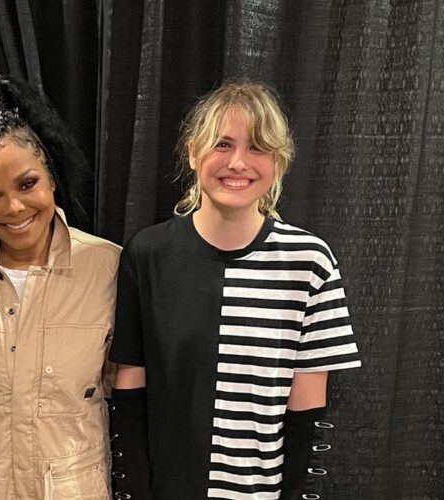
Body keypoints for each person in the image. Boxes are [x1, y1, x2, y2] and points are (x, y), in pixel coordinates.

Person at [109, 81, 361, 499]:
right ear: (193, 152)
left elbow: (308, 419)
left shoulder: (310, 262)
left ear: (279, 163)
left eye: (258, 147)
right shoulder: (147, 255)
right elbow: (130, 397)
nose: (238, 162)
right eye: (222, 144)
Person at [0, 75, 119, 499]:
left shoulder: (107, 268)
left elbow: (124, 382)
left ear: (51, 177)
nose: (13, 208)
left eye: (27, 184)